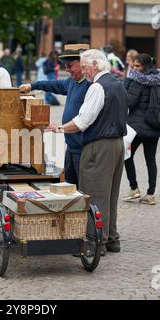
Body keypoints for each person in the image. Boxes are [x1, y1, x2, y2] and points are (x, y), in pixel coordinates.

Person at [58, 49, 128, 255]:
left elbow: (82, 121)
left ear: (96, 64)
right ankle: (111, 238)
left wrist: (59, 128)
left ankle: (94, 242)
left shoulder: (98, 86)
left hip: (99, 145)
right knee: (111, 194)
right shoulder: (118, 84)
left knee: (95, 194)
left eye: (86, 66)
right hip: (117, 144)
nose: (85, 71)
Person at [20, 44, 90, 187]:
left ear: (82, 64)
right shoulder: (72, 81)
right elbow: (54, 85)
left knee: (84, 188)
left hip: (82, 148)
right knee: (69, 185)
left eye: (70, 66)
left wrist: (58, 128)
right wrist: (33, 86)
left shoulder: (90, 85)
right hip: (71, 146)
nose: (67, 69)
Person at [123, 54, 160, 205]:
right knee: (150, 160)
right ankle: (150, 194)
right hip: (155, 126)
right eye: (134, 66)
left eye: (137, 66)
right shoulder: (158, 80)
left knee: (126, 155)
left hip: (137, 127)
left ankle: (134, 188)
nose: (134, 68)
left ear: (145, 66)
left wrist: (126, 83)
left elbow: (129, 102)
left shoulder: (137, 80)